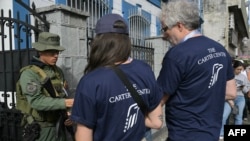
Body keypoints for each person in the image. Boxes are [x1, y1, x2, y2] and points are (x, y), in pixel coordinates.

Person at [70, 13, 163, 141]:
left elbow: (83, 137)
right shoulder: (145, 69)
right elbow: (156, 123)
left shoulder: (90, 82)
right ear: (126, 41)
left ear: (98, 43)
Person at [157, 1, 237, 141]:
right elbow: (231, 92)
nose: (164, 35)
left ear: (179, 25)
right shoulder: (220, 50)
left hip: (184, 135)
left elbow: (158, 99)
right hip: (211, 134)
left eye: (164, 29)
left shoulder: (177, 55)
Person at [16, 32, 74, 141]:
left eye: (57, 51)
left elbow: (61, 95)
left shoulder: (58, 71)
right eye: (52, 52)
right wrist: (66, 103)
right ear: (41, 51)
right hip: (42, 129)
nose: (56, 55)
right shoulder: (29, 73)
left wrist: (67, 113)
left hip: (59, 124)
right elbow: (36, 101)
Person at [219, 60, 249, 139]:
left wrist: (243, 88)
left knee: (238, 116)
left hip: (240, 98)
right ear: (233, 68)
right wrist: (230, 99)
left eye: (241, 69)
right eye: (238, 69)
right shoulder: (228, 75)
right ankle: (221, 133)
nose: (239, 71)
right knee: (224, 116)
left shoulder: (243, 77)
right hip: (229, 98)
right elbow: (223, 88)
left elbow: (246, 90)